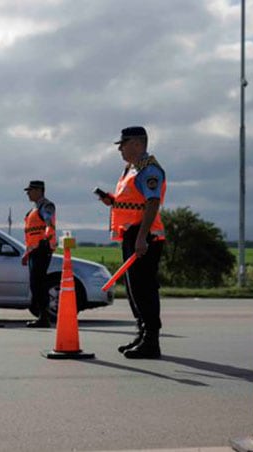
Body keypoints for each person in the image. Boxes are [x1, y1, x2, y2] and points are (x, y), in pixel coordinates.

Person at [97, 126, 166, 359]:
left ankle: (151, 341)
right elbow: (133, 202)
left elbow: (153, 202)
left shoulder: (149, 170)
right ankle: (142, 334)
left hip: (144, 235)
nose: (120, 149)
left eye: (123, 144)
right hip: (132, 234)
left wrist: (141, 237)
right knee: (134, 288)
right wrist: (112, 201)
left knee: (144, 288)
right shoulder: (131, 170)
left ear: (137, 144)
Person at [22, 180, 57, 328]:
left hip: (42, 249)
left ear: (39, 190)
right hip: (34, 251)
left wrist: (46, 238)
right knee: (35, 284)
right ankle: (42, 316)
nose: (28, 193)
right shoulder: (34, 209)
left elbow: (48, 222)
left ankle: (44, 318)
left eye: (30, 190)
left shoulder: (45, 206)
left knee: (39, 284)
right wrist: (27, 253)